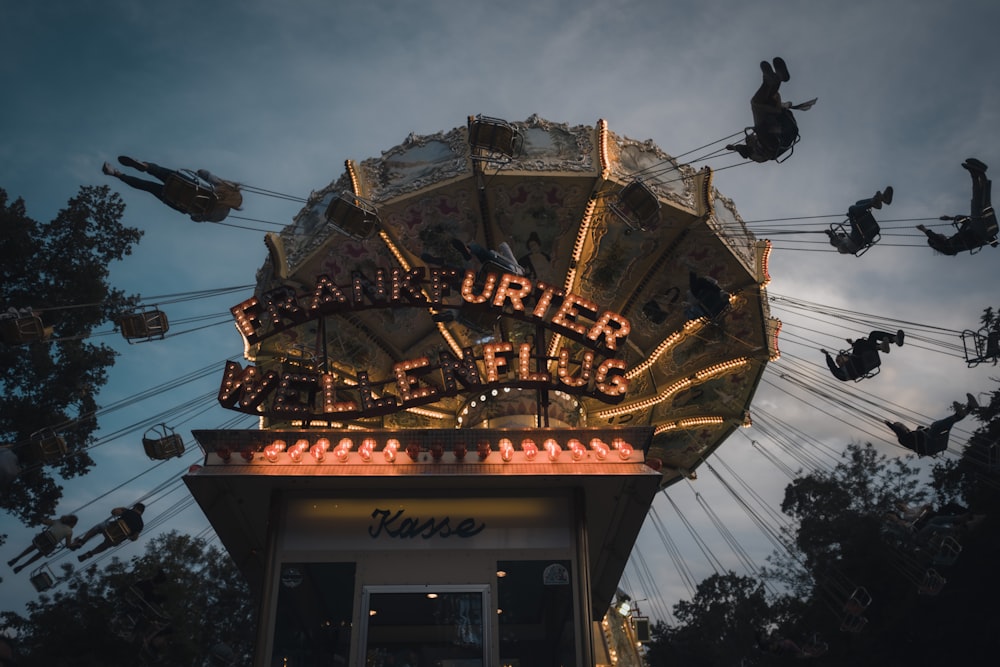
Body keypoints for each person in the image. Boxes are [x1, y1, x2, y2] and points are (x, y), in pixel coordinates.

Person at [726, 58, 817, 163]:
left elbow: (743, 149)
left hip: (777, 125)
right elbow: (743, 150)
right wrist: (733, 148)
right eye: (750, 138)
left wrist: (733, 148)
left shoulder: (760, 148)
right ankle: (770, 80)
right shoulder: (754, 151)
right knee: (756, 104)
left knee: (766, 101)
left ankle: (778, 77)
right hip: (774, 130)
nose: (752, 136)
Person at [102, 156, 243, 222]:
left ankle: (145, 166)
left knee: (160, 172)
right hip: (177, 202)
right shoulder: (220, 216)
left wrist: (202, 173)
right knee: (148, 187)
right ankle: (116, 173)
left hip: (185, 184)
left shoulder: (226, 190)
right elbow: (196, 219)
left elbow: (204, 173)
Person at [917, 158, 998, 255]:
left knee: (981, 200)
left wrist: (950, 218)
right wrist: (924, 230)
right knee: (977, 202)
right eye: (938, 235)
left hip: (979, 229)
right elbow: (934, 238)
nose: (940, 234)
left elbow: (966, 221)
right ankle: (978, 174)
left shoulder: (957, 238)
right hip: (979, 232)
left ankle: (976, 174)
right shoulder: (948, 249)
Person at [885, 393, 978, 456]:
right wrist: (889, 424)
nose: (902, 426)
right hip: (929, 446)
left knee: (941, 424)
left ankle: (970, 408)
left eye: (901, 425)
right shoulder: (902, 439)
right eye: (900, 426)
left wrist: (920, 429)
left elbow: (915, 433)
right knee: (936, 426)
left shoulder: (913, 434)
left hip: (934, 442)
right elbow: (899, 432)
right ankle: (961, 413)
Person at [826, 187, 893, 254]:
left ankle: (881, 199)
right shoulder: (840, 249)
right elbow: (838, 242)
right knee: (851, 209)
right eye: (838, 236)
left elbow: (854, 229)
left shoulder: (845, 239)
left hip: (861, 233)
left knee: (858, 203)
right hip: (857, 240)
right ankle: (873, 203)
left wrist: (851, 216)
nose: (839, 236)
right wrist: (831, 235)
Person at [821, 329, 904, 381]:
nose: (839, 361)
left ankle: (894, 339)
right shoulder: (842, 372)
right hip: (859, 366)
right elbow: (832, 367)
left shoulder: (853, 358)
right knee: (859, 342)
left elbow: (859, 350)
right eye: (838, 361)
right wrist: (827, 355)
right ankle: (880, 347)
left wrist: (852, 344)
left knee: (873, 335)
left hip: (866, 358)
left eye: (840, 358)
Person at [72, 503, 145, 561]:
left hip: (108, 529)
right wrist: (129, 536)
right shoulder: (141, 525)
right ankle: (90, 554)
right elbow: (134, 538)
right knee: (106, 545)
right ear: (141, 512)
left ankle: (82, 541)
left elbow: (113, 512)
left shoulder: (128, 512)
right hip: (115, 539)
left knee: (98, 527)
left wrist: (122, 508)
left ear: (135, 507)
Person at [7, 514, 78, 574]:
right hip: (49, 545)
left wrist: (43, 519)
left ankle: (17, 558)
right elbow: (68, 545)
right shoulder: (69, 532)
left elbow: (46, 522)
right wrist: (75, 543)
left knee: (34, 546)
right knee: (41, 554)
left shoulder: (58, 521)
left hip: (42, 538)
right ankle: (23, 566)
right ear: (72, 523)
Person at [451, 238, 526, 276]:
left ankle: (468, 250)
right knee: (486, 257)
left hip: (507, 269)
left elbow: (508, 254)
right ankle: (469, 250)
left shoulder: (519, 270)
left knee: (486, 257)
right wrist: (503, 247)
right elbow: (509, 255)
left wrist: (503, 247)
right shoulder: (519, 271)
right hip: (508, 270)